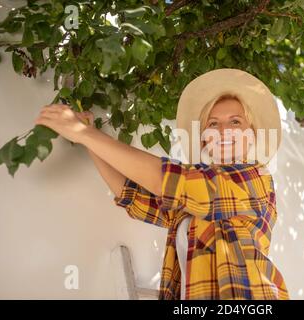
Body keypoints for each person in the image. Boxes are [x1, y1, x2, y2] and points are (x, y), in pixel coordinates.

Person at [34, 68, 289, 300]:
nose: (224, 130)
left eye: (236, 121)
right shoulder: (193, 202)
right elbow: (134, 197)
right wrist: (89, 141)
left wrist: (84, 133)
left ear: (251, 134)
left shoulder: (255, 177)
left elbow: (167, 181)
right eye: (213, 123)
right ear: (203, 140)